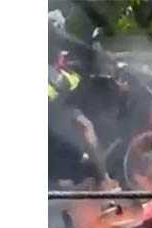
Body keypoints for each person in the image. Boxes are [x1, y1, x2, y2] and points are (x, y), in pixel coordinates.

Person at [48, 15, 116, 190]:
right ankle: (105, 179)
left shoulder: (62, 63)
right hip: (54, 113)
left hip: (59, 112)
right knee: (84, 126)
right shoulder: (55, 65)